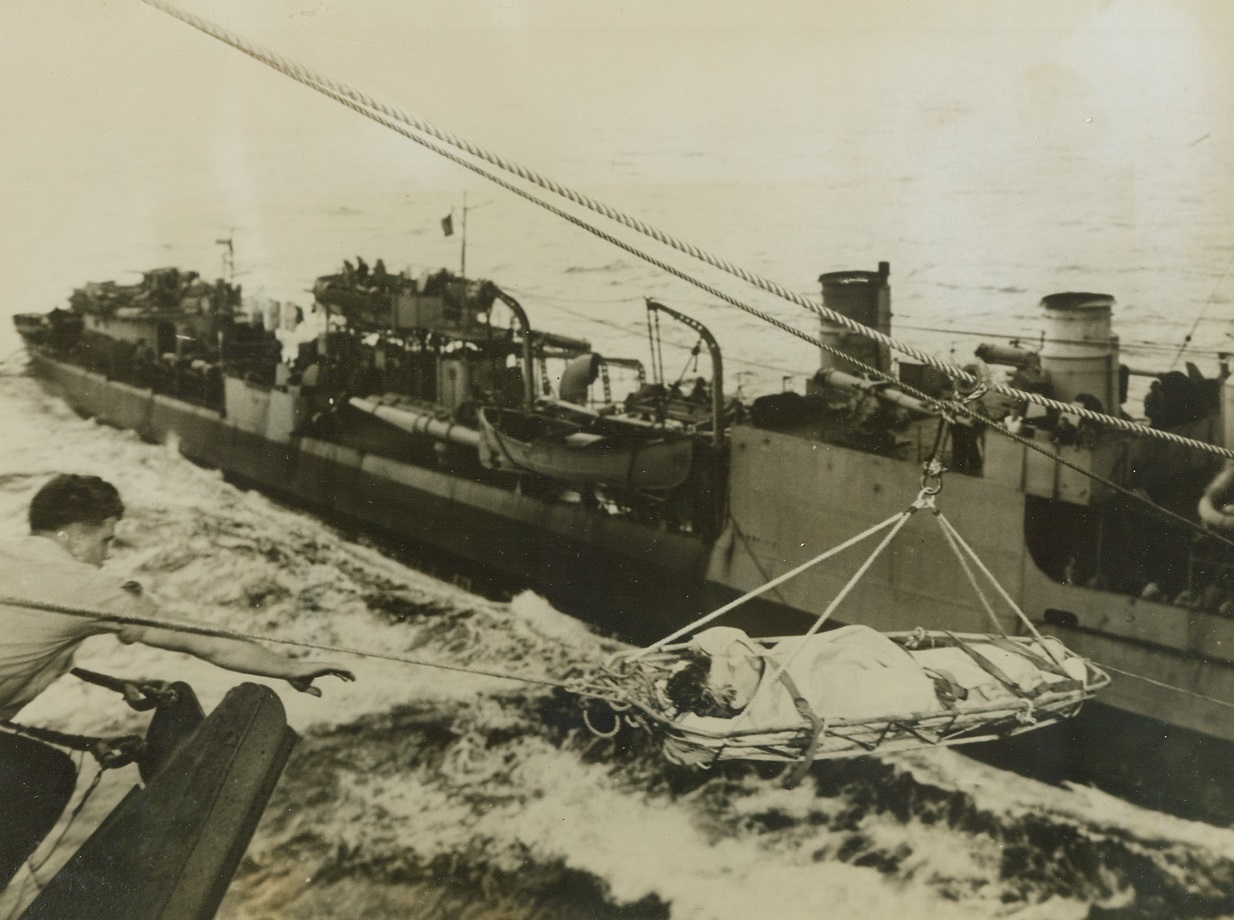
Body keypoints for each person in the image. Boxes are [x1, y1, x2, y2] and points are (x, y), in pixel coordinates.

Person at [0, 474, 355, 887]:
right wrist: (289, 666)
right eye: (106, 540)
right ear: (75, 535)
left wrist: (104, 678)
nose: (106, 556)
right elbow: (202, 641)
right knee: (44, 774)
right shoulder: (91, 589)